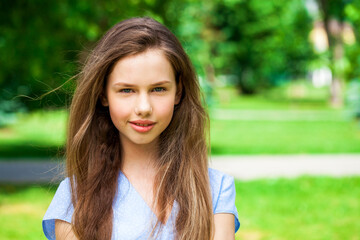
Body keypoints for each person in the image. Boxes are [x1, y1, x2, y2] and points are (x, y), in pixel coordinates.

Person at [42, 17, 240, 240]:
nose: (144, 108)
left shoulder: (215, 190)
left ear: (179, 92)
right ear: (103, 95)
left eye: (158, 89)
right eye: (127, 90)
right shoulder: (75, 198)